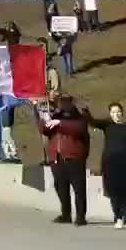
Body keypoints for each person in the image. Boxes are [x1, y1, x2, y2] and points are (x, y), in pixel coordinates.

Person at [85, 103, 126, 229]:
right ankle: (119, 218)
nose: (116, 114)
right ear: (110, 114)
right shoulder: (107, 126)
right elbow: (92, 122)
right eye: (113, 112)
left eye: (118, 111)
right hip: (111, 164)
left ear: (122, 112)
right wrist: (85, 111)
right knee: (115, 192)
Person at [41, 95, 90, 226]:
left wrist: (60, 123)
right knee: (61, 187)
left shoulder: (79, 117)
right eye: (61, 102)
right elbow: (44, 130)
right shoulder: (55, 116)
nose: (63, 105)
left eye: (66, 102)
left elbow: (78, 129)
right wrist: (44, 119)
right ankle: (65, 214)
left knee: (79, 188)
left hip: (74, 157)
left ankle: (80, 216)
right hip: (56, 158)